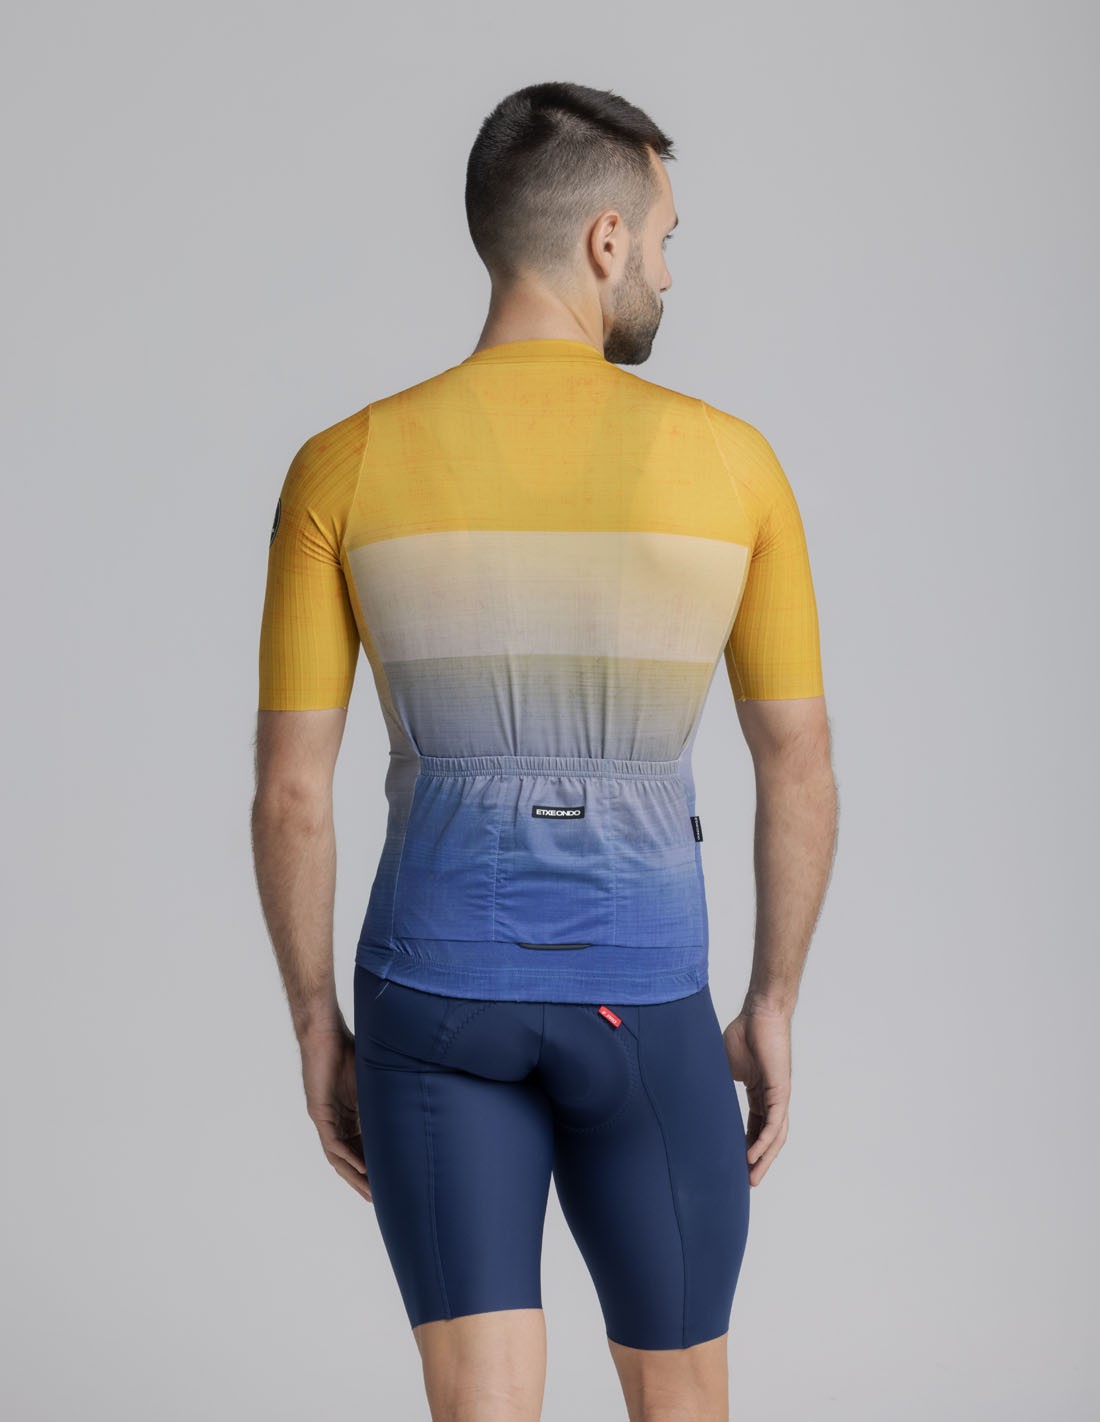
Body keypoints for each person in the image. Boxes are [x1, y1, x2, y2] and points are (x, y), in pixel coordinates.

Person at [252, 79, 838, 1422]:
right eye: (667, 239)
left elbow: (291, 793)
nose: (668, 273)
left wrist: (314, 1023)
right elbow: (798, 761)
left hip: (430, 994)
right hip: (646, 994)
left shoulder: (344, 463)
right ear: (606, 239)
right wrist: (773, 1003)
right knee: (683, 1403)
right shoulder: (734, 465)